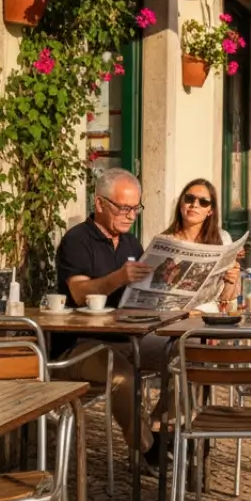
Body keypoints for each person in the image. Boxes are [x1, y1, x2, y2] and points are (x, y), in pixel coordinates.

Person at [54, 168, 167, 466]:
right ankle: (148, 450)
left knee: (181, 354)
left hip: (128, 337)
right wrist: (118, 278)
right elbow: (79, 292)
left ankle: (162, 428)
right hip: (81, 344)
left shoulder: (130, 243)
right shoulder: (77, 240)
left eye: (136, 208)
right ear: (100, 203)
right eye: (123, 207)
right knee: (122, 377)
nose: (131, 215)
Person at [161, 178, 240, 309]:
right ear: (181, 204)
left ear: (210, 211)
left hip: (209, 315)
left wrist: (232, 280)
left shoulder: (223, 239)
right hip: (173, 314)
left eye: (203, 202)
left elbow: (226, 300)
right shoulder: (165, 241)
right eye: (189, 199)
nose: (194, 205)